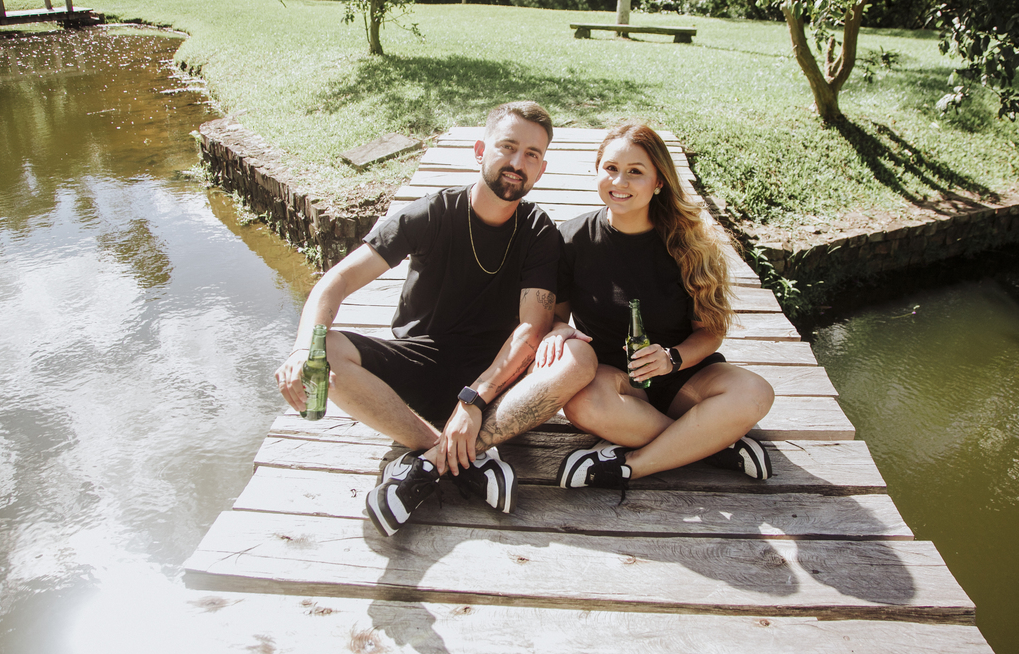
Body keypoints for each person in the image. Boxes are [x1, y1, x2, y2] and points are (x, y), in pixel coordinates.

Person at [276, 102, 597, 535]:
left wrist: (473, 400)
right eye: (507, 147)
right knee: (325, 348)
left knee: (579, 359)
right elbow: (335, 281)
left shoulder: (538, 230)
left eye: (532, 154)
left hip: (497, 387)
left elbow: (531, 329)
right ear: (481, 150)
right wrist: (303, 348)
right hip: (418, 367)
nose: (517, 163)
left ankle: (427, 465)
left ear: (541, 169)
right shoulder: (431, 213)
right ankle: (460, 457)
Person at [537, 123, 775, 491]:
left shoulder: (690, 245)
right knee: (580, 405)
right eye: (611, 168)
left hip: (685, 378)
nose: (620, 181)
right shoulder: (570, 239)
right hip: (616, 385)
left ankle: (631, 465)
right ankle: (712, 443)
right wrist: (557, 331)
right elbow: (558, 317)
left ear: (659, 181)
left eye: (636, 171)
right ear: (597, 170)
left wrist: (671, 358)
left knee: (756, 393)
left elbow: (710, 333)